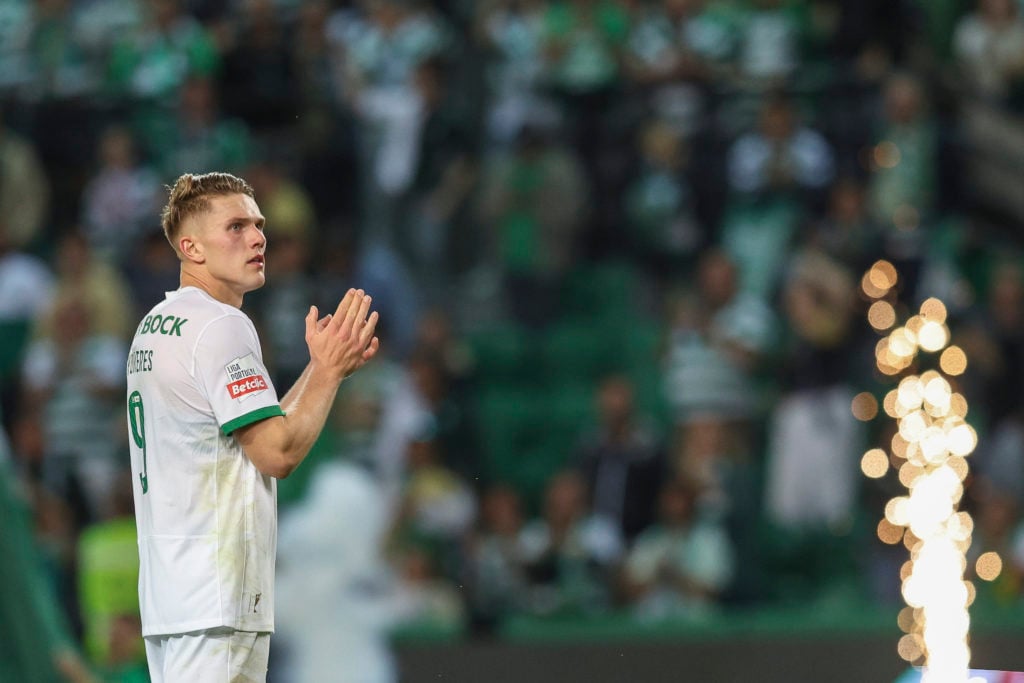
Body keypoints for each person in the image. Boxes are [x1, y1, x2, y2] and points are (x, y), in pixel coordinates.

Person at [125, 171, 379, 683]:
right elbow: (275, 453)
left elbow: (245, 433)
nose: (258, 237)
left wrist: (318, 366)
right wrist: (328, 374)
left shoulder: (158, 323)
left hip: (172, 600)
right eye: (236, 226)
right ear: (191, 247)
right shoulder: (222, 326)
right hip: (218, 599)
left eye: (258, 224)